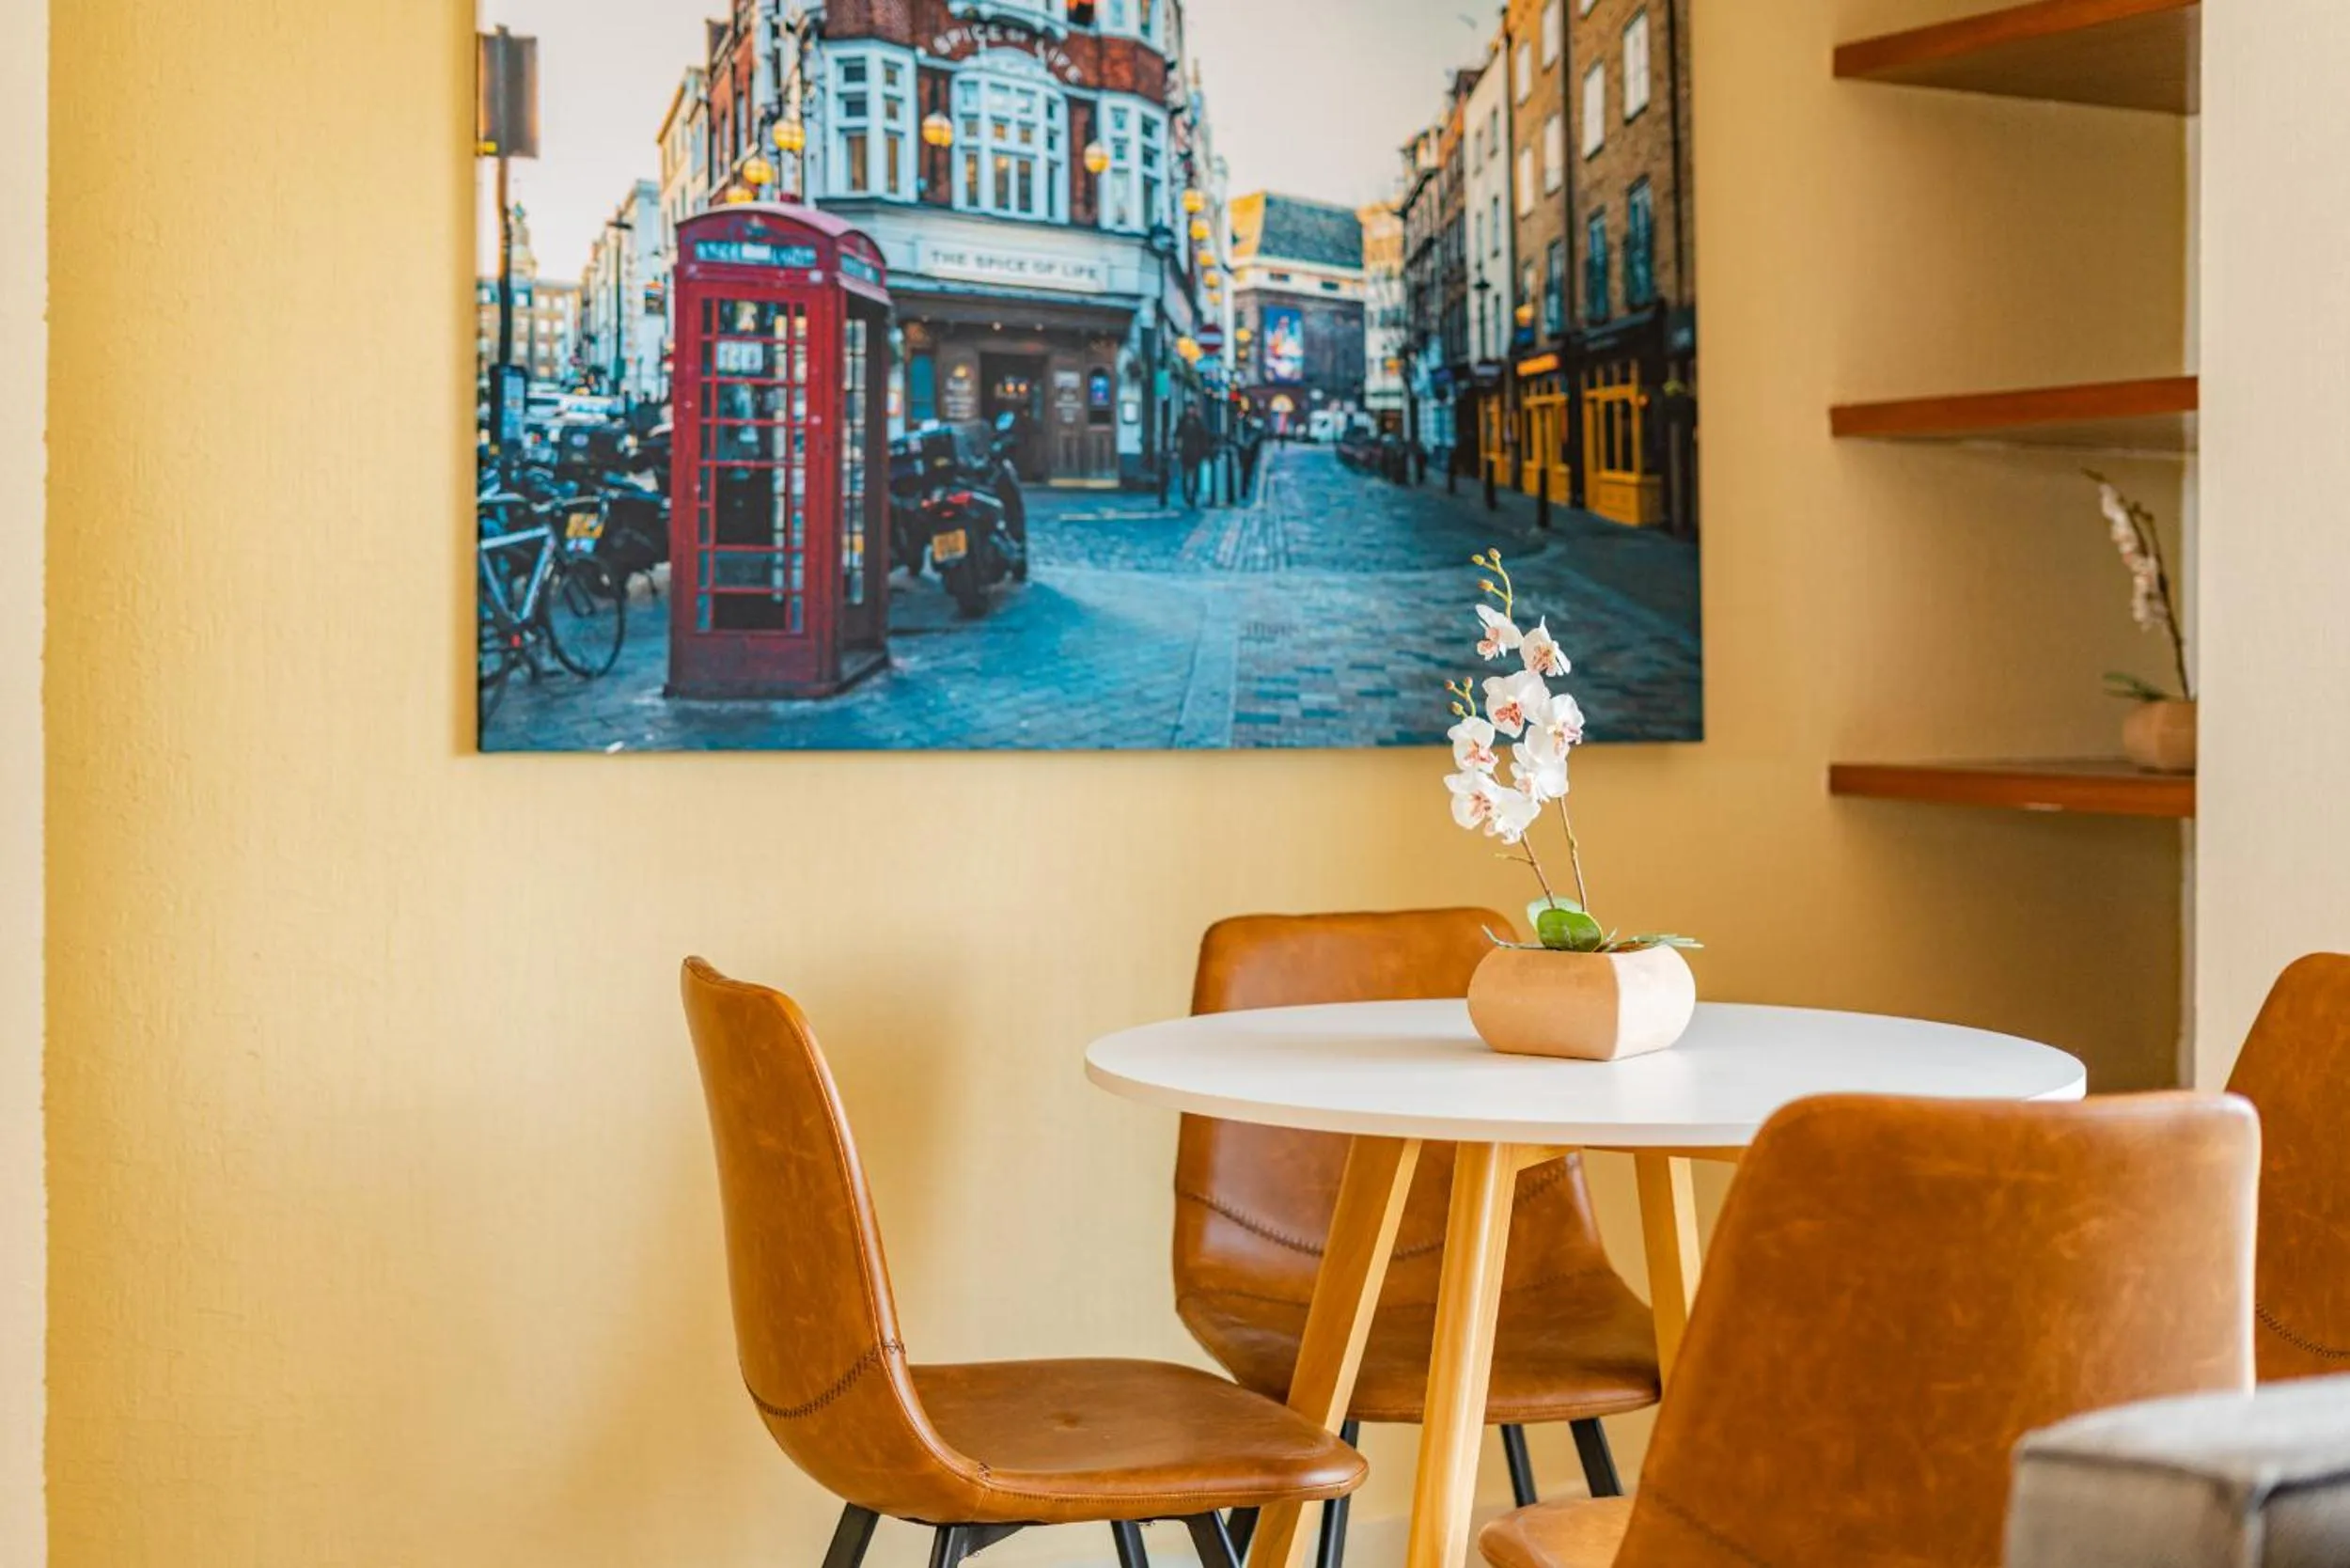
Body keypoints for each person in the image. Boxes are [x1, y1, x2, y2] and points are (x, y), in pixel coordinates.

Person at [1175, 407, 1210, 508]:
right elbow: (1178, 437)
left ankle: (1193, 496)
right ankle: (1187, 495)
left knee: (1194, 475)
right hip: (1186, 452)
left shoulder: (1198, 423)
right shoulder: (1183, 422)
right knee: (1185, 475)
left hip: (1195, 452)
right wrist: (1178, 450)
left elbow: (1203, 438)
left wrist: (1203, 452)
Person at [1237, 416, 1265, 498]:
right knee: (1246, 474)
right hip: (1249, 457)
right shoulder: (1254, 433)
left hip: (1249, 457)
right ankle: (1245, 492)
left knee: (1246, 474)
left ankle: (1244, 492)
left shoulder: (1253, 432)